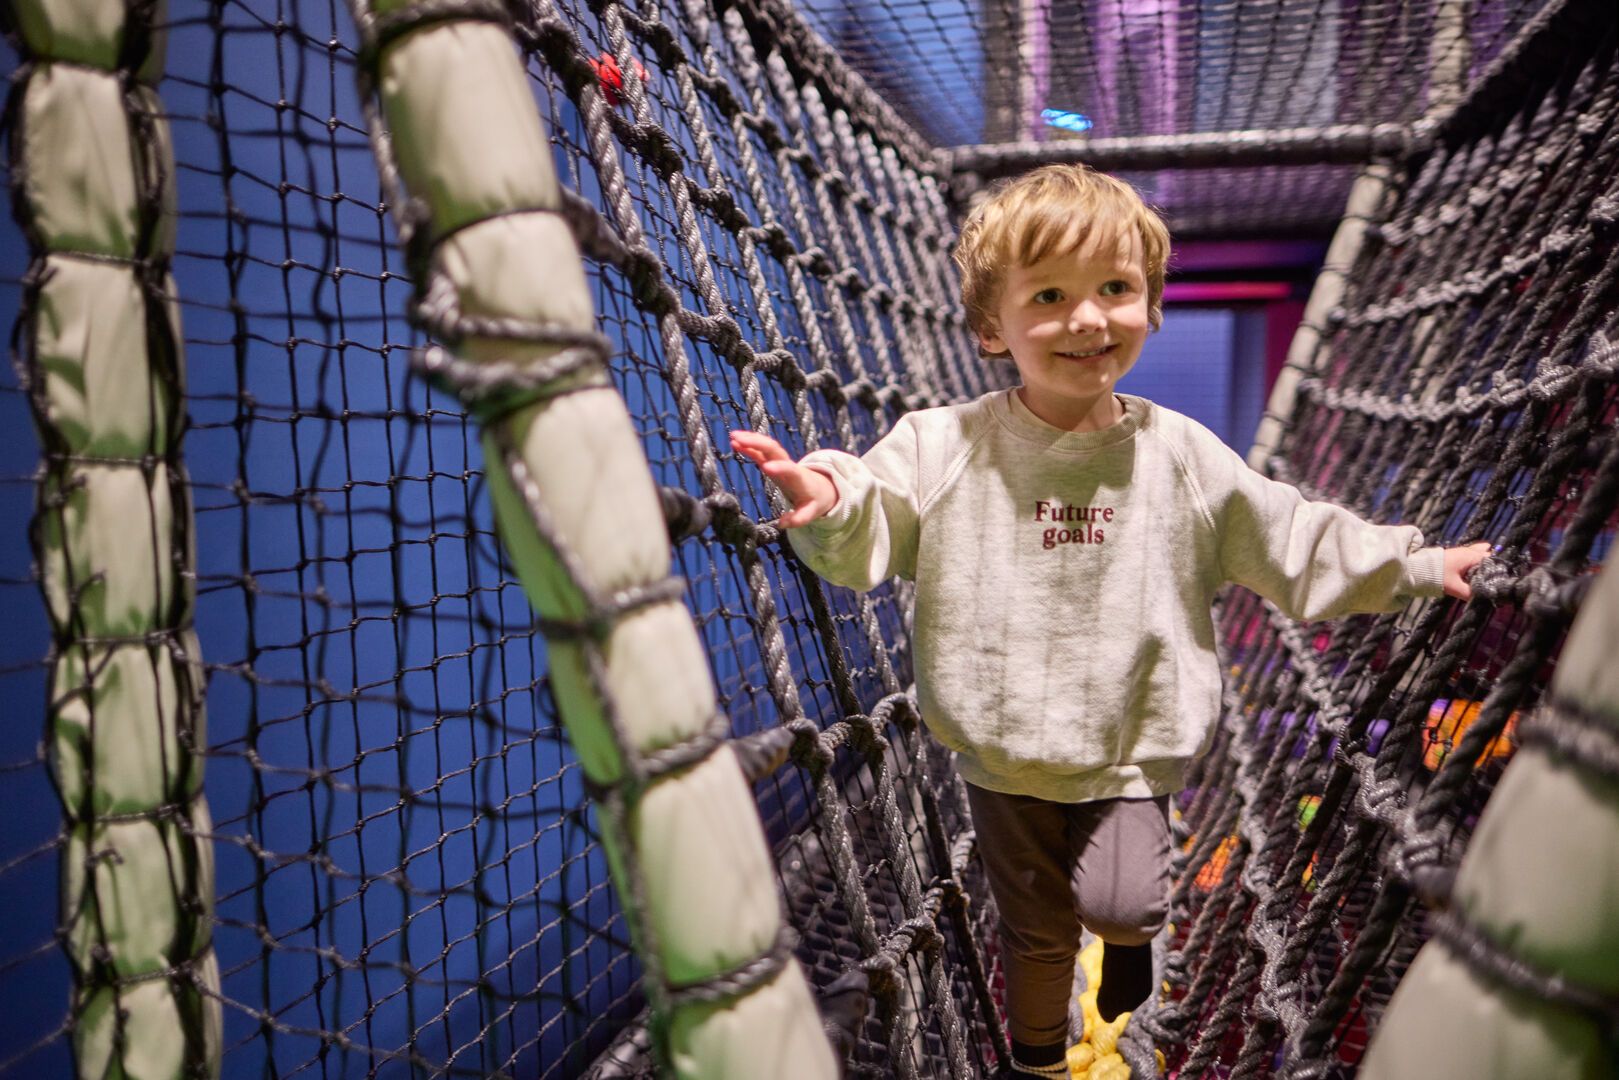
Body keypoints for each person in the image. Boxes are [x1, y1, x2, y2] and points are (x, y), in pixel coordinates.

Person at [729, 164, 1490, 1078]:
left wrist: (1413, 563)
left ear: (1150, 305)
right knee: (1035, 929)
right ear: (990, 327)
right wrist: (823, 493)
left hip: (1128, 744)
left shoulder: (1178, 456)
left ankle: (1129, 947)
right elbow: (872, 508)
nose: (1087, 319)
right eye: (1048, 296)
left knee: (1125, 905)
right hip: (1001, 749)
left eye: (1114, 290)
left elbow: (1290, 533)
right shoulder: (945, 443)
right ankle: (1038, 1057)